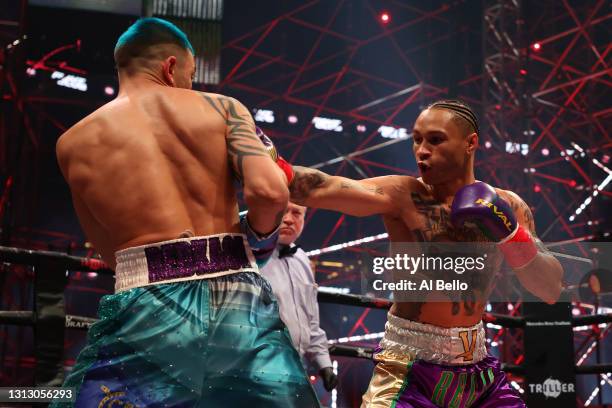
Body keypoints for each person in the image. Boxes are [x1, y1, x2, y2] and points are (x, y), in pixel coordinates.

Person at [51, 18, 319, 407]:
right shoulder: (222, 108)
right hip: (234, 296)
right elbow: (268, 190)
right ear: (171, 67)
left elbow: (108, 250)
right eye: (191, 75)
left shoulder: (71, 143)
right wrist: (258, 240)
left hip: (143, 299)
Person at [286, 100, 564, 407]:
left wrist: (510, 233)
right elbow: (320, 187)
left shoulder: (508, 205)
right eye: (416, 139)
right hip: (407, 370)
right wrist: (259, 156)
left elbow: (550, 289)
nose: (421, 150)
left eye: (435, 139)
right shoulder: (402, 195)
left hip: (479, 373)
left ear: (470, 143)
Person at [260, 201, 338, 393]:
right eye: (282, 212)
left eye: (296, 213)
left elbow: (311, 320)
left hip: (296, 368)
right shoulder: (248, 256)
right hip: (257, 367)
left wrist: (324, 364)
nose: (288, 219)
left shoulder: (303, 259)